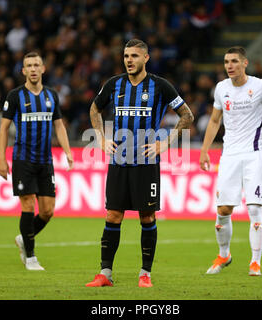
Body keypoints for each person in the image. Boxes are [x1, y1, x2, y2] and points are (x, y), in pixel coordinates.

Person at [86, 39, 194, 287]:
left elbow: (187, 114)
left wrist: (166, 142)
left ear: (146, 58)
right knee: (113, 215)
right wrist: (101, 139)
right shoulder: (114, 84)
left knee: (146, 216)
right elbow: (94, 109)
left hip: (146, 163)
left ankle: (145, 274)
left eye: (134, 56)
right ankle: (105, 274)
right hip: (118, 161)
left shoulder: (160, 85)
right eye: (126, 56)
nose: (129, 60)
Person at [199, 46, 262, 276]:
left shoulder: (260, 86)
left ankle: (255, 262)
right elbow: (215, 120)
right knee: (222, 210)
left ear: (245, 63)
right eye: (227, 61)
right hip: (229, 155)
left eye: (234, 61)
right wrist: (205, 149)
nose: (229, 66)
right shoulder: (221, 88)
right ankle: (224, 254)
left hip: (255, 153)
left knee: (255, 208)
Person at [0, 52, 74, 270]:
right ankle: (30, 257)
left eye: (36, 65)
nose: (32, 69)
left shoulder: (51, 95)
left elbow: (59, 125)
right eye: (28, 65)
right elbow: (3, 128)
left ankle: (24, 238)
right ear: (23, 71)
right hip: (22, 159)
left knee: (48, 211)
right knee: (27, 204)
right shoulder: (15, 96)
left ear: (43, 69)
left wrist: (68, 152)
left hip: (45, 160)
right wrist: (1, 159)